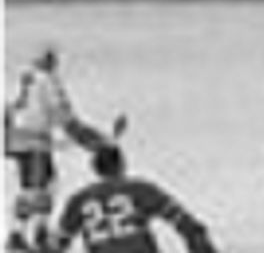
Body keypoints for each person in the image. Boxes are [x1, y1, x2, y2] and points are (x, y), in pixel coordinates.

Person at [7, 44, 113, 253]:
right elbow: (67, 120)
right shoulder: (48, 81)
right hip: (32, 140)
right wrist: (94, 141)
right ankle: (18, 235)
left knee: (49, 184)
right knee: (35, 189)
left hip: (19, 137)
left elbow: (11, 109)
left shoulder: (27, 76)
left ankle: (39, 231)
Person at [51, 147, 213, 253]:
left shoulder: (78, 200)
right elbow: (186, 224)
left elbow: (57, 244)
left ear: (95, 169)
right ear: (122, 164)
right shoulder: (139, 189)